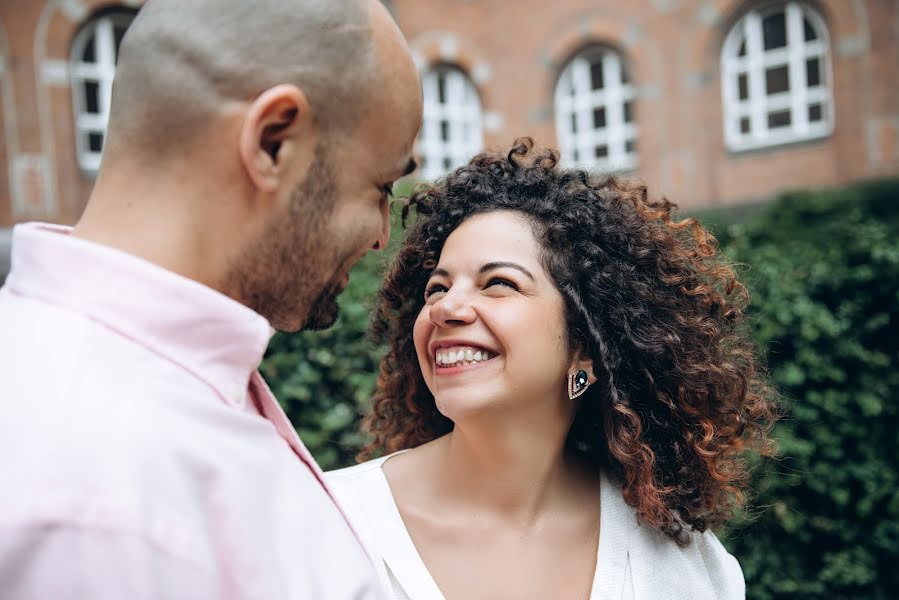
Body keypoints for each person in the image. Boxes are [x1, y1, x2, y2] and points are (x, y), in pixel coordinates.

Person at [0, 0, 421, 597]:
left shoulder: (150, 387)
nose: (382, 233)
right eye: (380, 186)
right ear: (274, 141)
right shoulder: (98, 502)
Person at [327, 139, 777, 600]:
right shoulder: (328, 524)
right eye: (436, 288)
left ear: (584, 345)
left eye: (499, 283)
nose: (446, 307)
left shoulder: (679, 562)